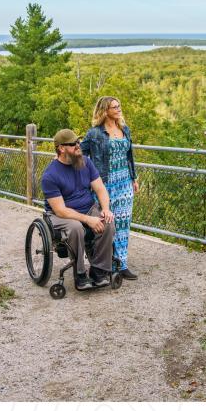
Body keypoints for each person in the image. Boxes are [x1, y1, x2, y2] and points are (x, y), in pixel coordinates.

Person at [41, 128, 115, 290]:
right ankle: (80, 274)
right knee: (76, 228)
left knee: (108, 223)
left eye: (78, 142)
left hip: (88, 208)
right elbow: (60, 210)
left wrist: (106, 209)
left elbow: (100, 188)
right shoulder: (50, 176)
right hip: (62, 215)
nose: (78, 146)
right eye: (73, 143)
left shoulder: (86, 162)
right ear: (61, 148)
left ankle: (99, 270)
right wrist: (88, 220)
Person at [81, 96, 139, 280]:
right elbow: (81, 154)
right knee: (108, 223)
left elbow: (130, 156)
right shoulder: (94, 133)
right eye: (114, 107)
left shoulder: (124, 129)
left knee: (123, 224)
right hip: (104, 184)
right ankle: (107, 263)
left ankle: (121, 264)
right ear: (105, 111)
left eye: (119, 106)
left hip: (124, 183)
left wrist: (134, 177)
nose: (119, 109)